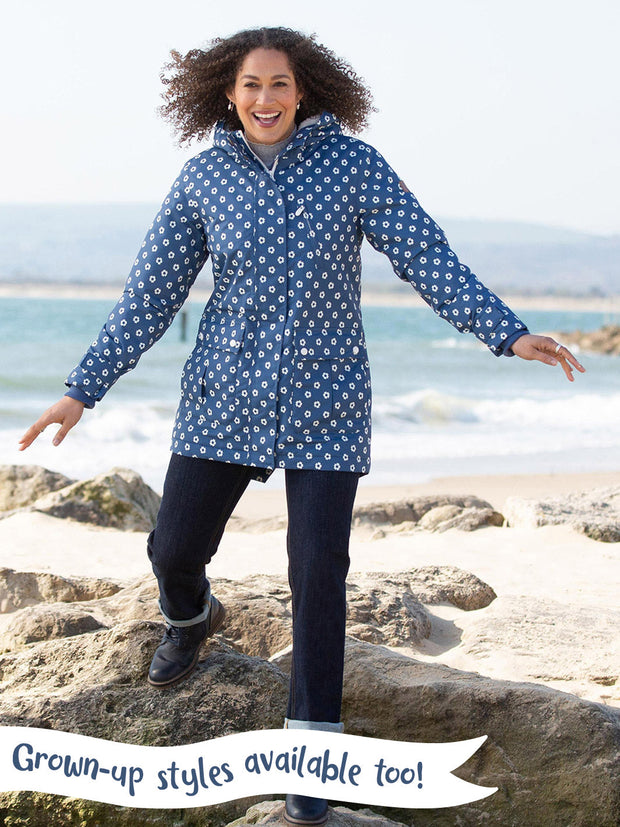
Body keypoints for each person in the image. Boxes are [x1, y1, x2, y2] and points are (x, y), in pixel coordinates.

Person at [19, 26, 584, 826]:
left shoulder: (352, 166)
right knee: (172, 547)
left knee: (319, 573)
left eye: (279, 84)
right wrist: (83, 389)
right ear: (227, 94)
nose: (265, 99)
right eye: (251, 85)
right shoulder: (204, 178)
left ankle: (312, 755)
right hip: (223, 396)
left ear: (303, 91)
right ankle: (191, 615)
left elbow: (427, 256)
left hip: (328, 400)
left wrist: (506, 332)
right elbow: (150, 294)